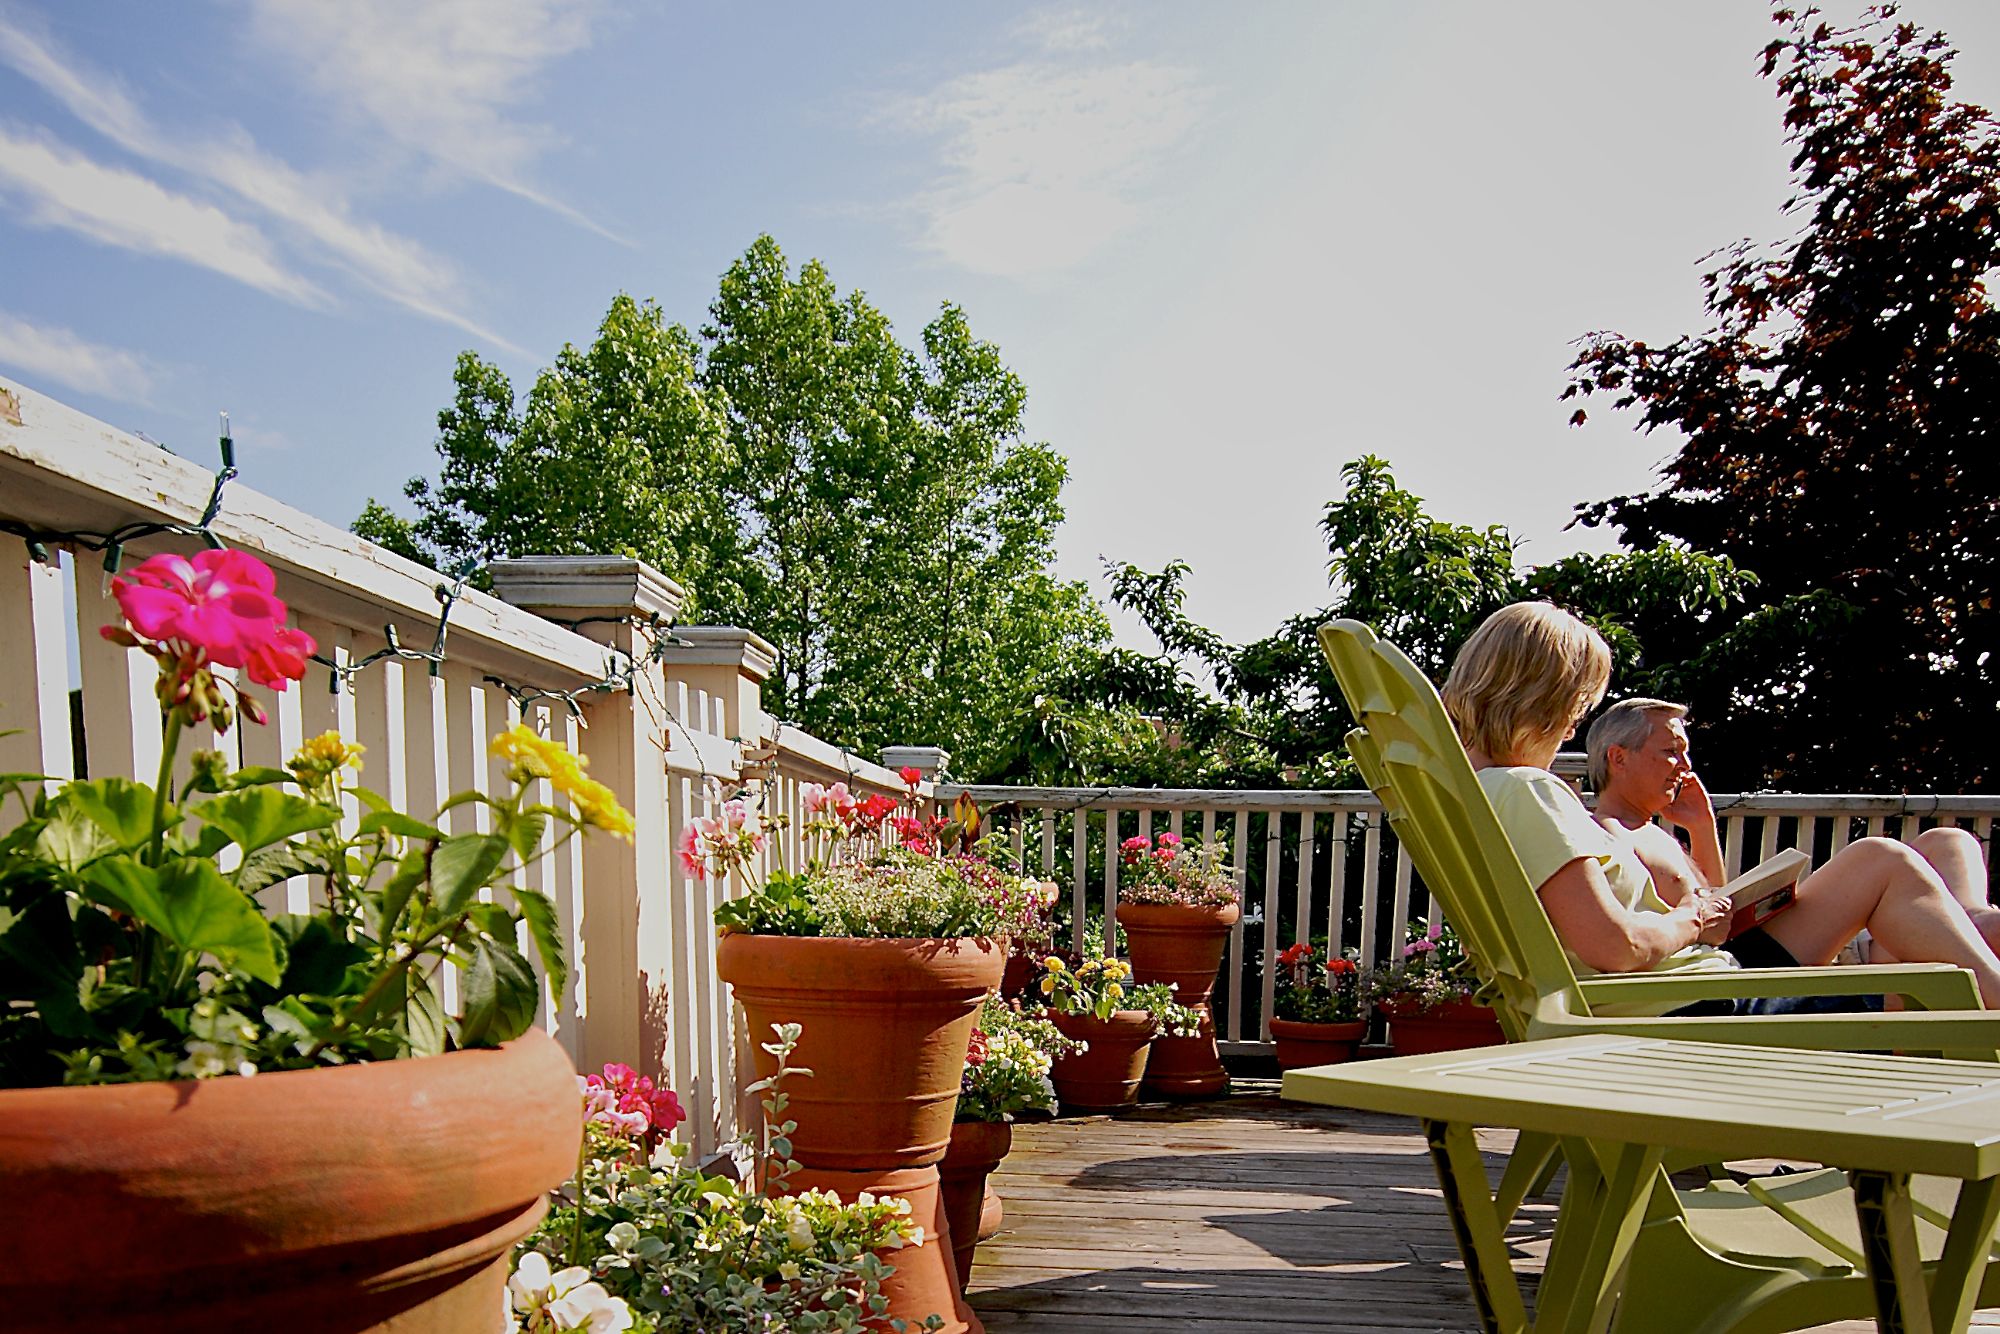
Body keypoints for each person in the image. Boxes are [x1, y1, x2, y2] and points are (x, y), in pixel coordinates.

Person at [1438, 601, 2000, 1014]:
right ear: (1549, 701)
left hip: (1687, 989)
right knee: (1915, 955)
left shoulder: (1476, 794)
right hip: (1692, 1004)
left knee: (1887, 865)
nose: (1572, 727)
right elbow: (1616, 946)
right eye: (1577, 708)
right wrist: (1691, 920)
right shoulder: (1525, 791)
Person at [1587, 696, 2000, 977]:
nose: (1685, 765)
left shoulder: (1650, 831)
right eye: (1670, 751)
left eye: (1685, 751)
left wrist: (1702, 827)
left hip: (1745, 947)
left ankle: (1972, 923)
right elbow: (1662, 933)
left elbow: (1715, 901)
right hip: (1734, 968)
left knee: (1949, 842)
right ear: (1619, 758)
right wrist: (1700, 920)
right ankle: (1982, 949)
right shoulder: (1608, 834)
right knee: (1879, 857)